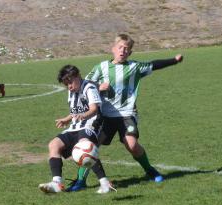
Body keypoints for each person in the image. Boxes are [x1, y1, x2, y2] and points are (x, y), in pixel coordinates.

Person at [67, 34, 183, 192]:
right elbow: (85, 84)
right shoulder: (101, 67)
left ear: (130, 53)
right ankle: (80, 180)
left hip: (126, 114)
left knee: (132, 145)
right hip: (104, 116)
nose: (123, 51)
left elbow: (153, 65)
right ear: (113, 49)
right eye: (120, 47)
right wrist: (99, 86)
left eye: (126, 49)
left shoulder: (134, 67)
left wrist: (174, 60)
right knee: (89, 146)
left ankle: (150, 170)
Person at [38, 65, 116, 194]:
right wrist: (67, 119)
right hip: (75, 126)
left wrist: (83, 116)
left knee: (85, 146)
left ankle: (104, 183)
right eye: (65, 84)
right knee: (53, 145)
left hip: (92, 124)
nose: (68, 86)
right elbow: (75, 111)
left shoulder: (89, 88)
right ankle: (57, 183)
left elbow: (94, 109)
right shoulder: (71, 91)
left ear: (78, 76)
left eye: (70, 82)